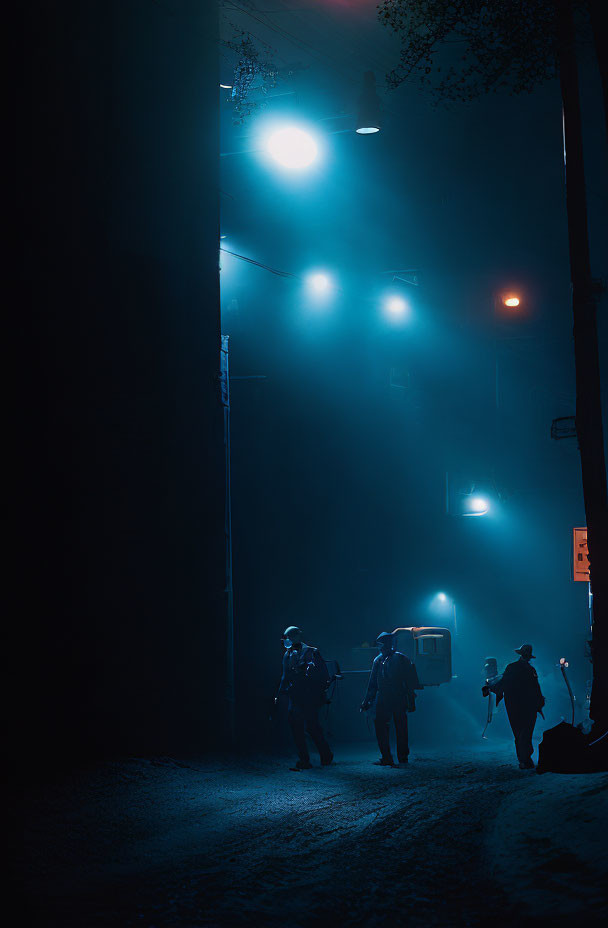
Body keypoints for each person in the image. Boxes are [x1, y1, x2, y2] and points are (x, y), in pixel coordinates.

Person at [275, 626, 333, 770]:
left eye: (289, 638)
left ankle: (326, 754)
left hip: (309, 696)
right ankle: (304, 759)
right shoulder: (287, 655)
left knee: (312, 727)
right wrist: (280, 693)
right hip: (295, 695)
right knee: (296, 728)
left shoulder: (312, 652)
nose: (286, 641)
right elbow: (285, 675)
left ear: (296, 637)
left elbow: (322, 675)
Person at [361, 631, 421, 767]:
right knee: (388, 726)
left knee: (399, 727)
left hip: (397, 696)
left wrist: (411, 699)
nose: (381, 647)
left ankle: (400, 756)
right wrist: (367, 700)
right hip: (386, 698)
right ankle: (390, 756)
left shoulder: (400, 659)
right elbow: (373, 684)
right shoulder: (380, 660)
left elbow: (410, 682)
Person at [483, 643, 545, 769]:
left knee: (521, 733)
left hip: (518, 705)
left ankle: (524, 759)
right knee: (523, 732)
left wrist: (490, 687)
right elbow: (534, 688)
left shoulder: (516, 668)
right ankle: (524, 759)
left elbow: (504, 684)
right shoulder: (524, 669)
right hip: (522, 705)